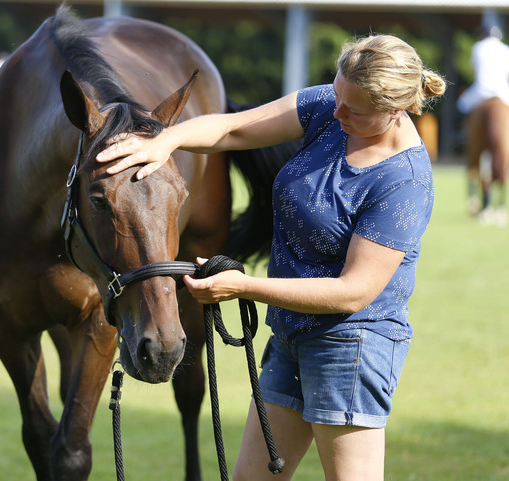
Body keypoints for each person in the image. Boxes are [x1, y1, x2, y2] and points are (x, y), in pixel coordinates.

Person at [96, 34, 446, 481]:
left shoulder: (403, 183)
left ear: (395, 109)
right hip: (290, 338)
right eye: (336, 94)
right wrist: (166, 141)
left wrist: (243, 287)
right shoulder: (331, 107)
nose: (336, 112)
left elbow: (352, 292)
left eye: (353, 109)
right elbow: (234, 129)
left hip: (351, 348)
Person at [457, 25, 509, 225]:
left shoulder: (477, 47)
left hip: (481, 93)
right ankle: (501, 206)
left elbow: (475, 70)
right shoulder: (505, 49)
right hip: (503, 95)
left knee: (462, 106)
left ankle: (464, 135)